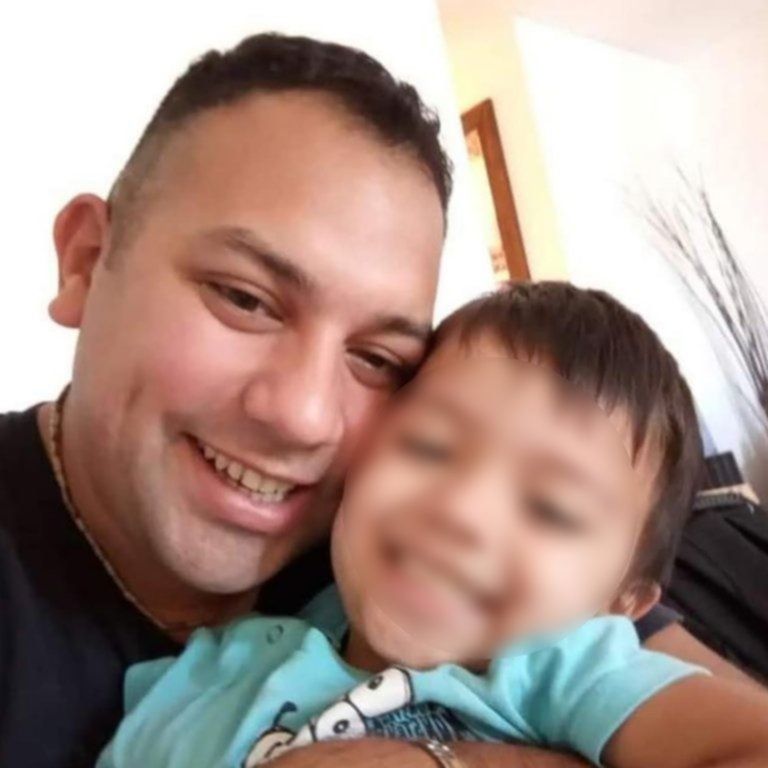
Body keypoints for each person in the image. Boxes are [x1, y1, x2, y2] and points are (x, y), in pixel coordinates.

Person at [0, 32, 749, 768]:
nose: (304, 416)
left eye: (375, 357)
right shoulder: (230, 661)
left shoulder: (534, 623)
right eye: (244, 298)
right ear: (87, 262)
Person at [97, 282, 768, 768]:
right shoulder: (213, 674)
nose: (460, 509)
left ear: (623, 604)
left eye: (551, 508)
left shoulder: (563, 671)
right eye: (429, 447)